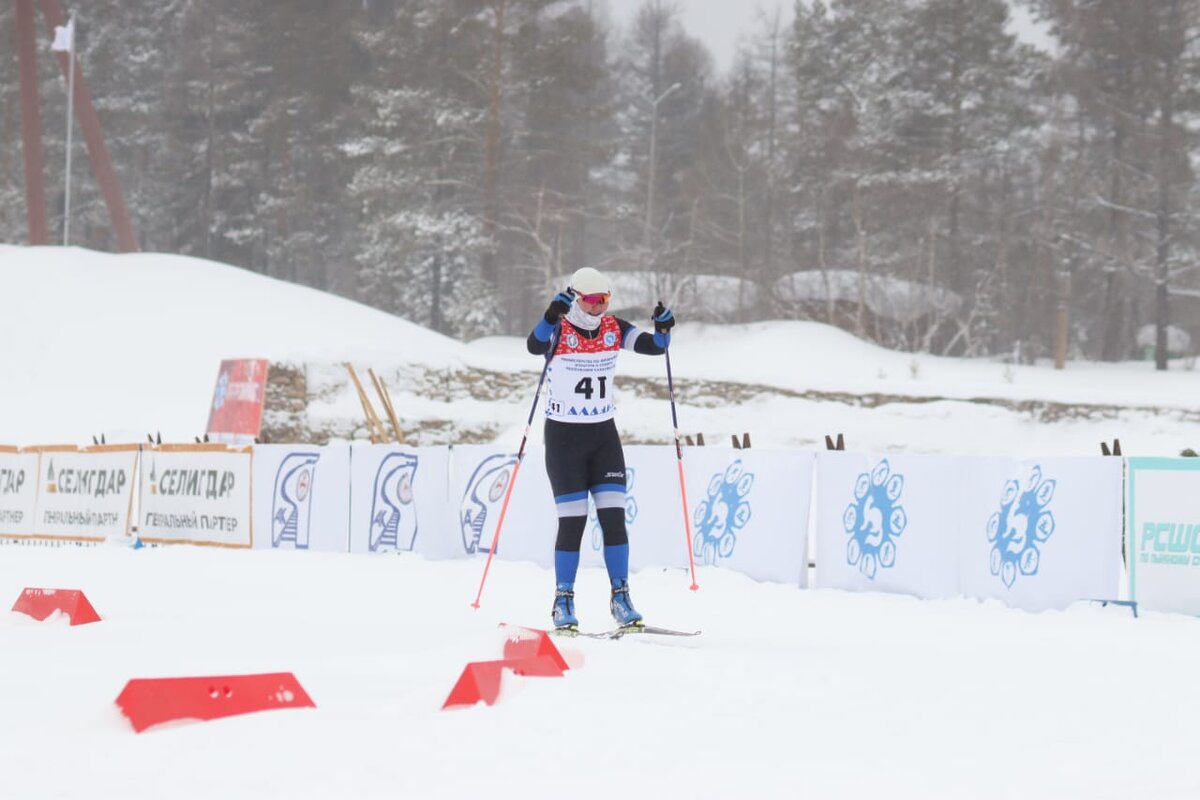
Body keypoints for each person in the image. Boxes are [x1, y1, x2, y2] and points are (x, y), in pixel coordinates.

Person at [527, 267, 676, 631]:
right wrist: (549, 315)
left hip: (603, 437)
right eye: (593, 301)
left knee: (614, 520)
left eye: (604, 301)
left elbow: (655, 348)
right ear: (576, 298)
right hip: (564, 440)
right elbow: (534, 345)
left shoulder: (613, 329)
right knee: (572, 522)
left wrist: (664, 328)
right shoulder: (560, 329)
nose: (599, 308)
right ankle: (563, 601)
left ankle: (621, 597)